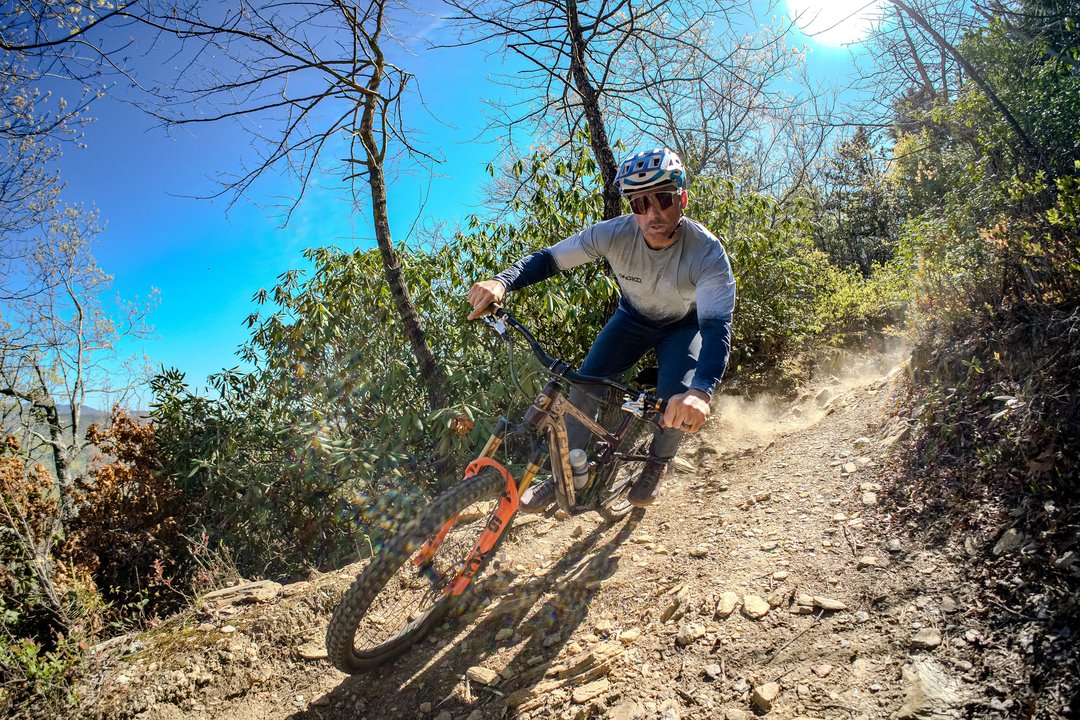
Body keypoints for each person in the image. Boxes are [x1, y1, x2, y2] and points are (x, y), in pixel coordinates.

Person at [466, 147, 735, 510]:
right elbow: (550, 259)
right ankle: (563, 474)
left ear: (682, 199)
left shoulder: (707, 252)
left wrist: (700, 392)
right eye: (640, 203)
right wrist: (502, 281)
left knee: (674, 400)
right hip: (632, 319)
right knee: (584, 387)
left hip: (682, 327)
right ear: (631, 207)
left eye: (663, 199)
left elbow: (716, 326)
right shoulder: (613, 233)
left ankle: (657, 463)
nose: (652, 213)